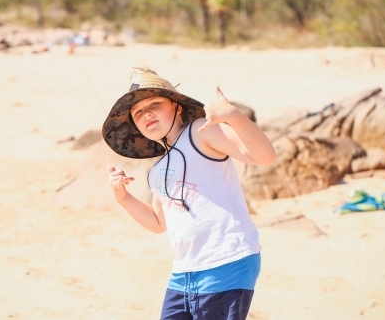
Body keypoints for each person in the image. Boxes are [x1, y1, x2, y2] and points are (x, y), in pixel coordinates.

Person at [102, 68, 275, 320]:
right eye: (138, 112)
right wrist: (123, 198)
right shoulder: (157, 170)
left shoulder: (200, 131)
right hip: (184, 271)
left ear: (177, 107)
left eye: (154, 103)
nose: (146, 113)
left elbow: (264, 156)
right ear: (136, 126)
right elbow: (159, 223)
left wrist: (234, 117)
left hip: (227, 260)